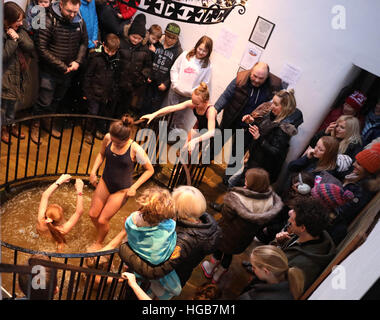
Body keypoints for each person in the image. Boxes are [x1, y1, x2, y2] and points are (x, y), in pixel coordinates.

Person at [118, 185, 221, 288]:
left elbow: (155, 271)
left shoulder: (184, 241)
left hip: (166, 280)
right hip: (182, 273)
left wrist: (124, 249)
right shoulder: (208, 224)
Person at [201, 168, 283, 283]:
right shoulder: (269, 201)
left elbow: (226, 215)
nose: (245, 181)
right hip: (243, 238)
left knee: (218, 249)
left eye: (247, 180)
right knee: (229, 254)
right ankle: (217, 275)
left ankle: (210, 269)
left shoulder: (237, 197)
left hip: (227, 233)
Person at [87, 115, 154, 251]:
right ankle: (102, 230)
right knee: (93, 215)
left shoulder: (136, 149)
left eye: (118, 143)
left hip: (122, 189)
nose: (114, 144)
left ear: (127, 139)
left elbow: (149, 170)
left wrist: (134, 187)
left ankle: (99, 242)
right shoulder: (108, 137)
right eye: (113, 141)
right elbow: (101, 154)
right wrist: (93, 171)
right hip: (106, 181)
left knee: (102, 220)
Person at [214, 62, 287, 181]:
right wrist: (215, 110)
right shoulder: (241, 78)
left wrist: (258, 119)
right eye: (254, 76)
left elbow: (278, 104)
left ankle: (227, 179)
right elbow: (226, 96)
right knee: (217, 142)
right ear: (251, 71)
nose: (257, 80)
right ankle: (204, 161)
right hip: (232, 118)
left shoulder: (275, 85)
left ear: (267, 76)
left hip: (250, 126)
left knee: (237, 153)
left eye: (261, 78)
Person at [31, 0, 88, 143]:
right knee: (44, 101)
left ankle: (47, 122)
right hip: (49, 71)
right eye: (69, 11)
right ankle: (35, 125)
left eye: (75, 11)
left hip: (68, 71)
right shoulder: (46, 18)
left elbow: (83, 42)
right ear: (61, 4)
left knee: (56, 100)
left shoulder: (80, 21)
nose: (72, 15)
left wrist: (78, 61)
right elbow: (41, 48)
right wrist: (62, 66)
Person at [227, 89, 299, 186]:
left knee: (235, 187)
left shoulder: (284, 129)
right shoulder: (272, 115)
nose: (272, 106)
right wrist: (252, 122)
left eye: (276, 104)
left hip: (261, 170)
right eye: (273, 102)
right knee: (232, 183)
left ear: (285, 108)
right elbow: (264, 131)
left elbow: (275, 152)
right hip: (253, 162)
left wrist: (259, 138)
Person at [124, 187, 182, 300]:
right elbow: (171, 242)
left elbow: (130, 235)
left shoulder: (133, 219)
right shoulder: (169, 226)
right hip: (154, 266)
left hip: (136, 262)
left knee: (130, 292)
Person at [273, 197, 336, 290]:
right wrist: (278, 243)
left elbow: (281, 286)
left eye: (292, 219)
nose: (289, 220)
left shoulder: (304, 264)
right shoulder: (305, 234)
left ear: (302, 228)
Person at [141, 82, 219, 156]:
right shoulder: (193, 103)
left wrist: (195, 140)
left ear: (206, 102)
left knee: (197, 156)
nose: (194, 105)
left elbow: (211, 132)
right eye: (193, 102)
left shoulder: (210, 111)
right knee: (184, 150)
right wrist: (154, 114)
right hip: (198, 127)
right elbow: (172, 108)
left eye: (197, 104)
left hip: (210, 134)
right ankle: (180, 167)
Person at [1, 2, 35, 144]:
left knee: (13, 106)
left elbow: (30, 46)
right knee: (3, 107)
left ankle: (11, 125)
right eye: (18, 20)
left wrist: (18, 36)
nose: (21, 23)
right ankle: (3, 129)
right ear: (8, 19)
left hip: (18, 75)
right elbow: (4, 55)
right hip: (5, 77)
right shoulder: (4, 34)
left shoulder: (19, 30)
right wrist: (13, 40)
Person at [168, 35, 213, 135]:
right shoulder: (185, 55)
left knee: (179, 117)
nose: (201, 52)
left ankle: (171, 136)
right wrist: (175, 84)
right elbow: (174, 69)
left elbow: (204, 83)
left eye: (204, 51)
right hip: (175, 91)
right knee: (168, 112)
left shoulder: (208, 66)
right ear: (196, 46)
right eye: (200, 49)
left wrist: (194, 93)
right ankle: (161, 132)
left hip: (188, 97)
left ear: (208, 52)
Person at [82, 33, 121, 144]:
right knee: (92, 113)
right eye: (108, 50)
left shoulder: (116, 60)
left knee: (101, 114)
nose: (110, 54)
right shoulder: (96, 58)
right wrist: (87, 92)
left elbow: (116, 79)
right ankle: (88, 132)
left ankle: (96, 130)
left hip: (106, 94)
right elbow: (88, 76)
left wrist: (112, 93)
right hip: (93, 93)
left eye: (113, 52)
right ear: (103, 45)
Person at [142, 22, 183, 114]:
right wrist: (148, 74)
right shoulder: (157, 43)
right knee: (145, 101)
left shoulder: (178, 51)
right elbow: (150, 59)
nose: (170, 40)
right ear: (165, 34)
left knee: (155, 106)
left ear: (177, 38)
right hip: (151, 79)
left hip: (162, 83)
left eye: (174, 38)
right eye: (168, 36)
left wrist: (166, 83)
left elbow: (175, 70)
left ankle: (148, 126)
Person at [36, 174, 84, 252]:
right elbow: (79, 211)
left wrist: (59, 181)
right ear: (61, 217)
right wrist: (79, 190)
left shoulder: (40, 219)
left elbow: (45, 195)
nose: (56, 204)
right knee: (61, 243)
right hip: (55, 237)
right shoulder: (63, 229)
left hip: (42, 235)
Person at [238, 245, 305, 300]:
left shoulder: (253, 297)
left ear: (266, 271)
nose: (252, 269)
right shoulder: (292, 283)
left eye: (254, 267)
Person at [118, 13, 152, 117]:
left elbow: (148, 66)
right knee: (111, 106)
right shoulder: (121, 43)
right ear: (129, 34)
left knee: (123, 108)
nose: (136, 40)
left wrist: (141, 78)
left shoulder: (145, 50)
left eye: (139, 38)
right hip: (117, 82)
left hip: (132, 85)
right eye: (134, 37)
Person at [339, 143, 380, 227]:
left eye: (359, 164)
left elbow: (344, 212)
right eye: (356, 161)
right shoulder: (356, 176)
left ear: (368, 170)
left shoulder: (363, 190)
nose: (354, 164)